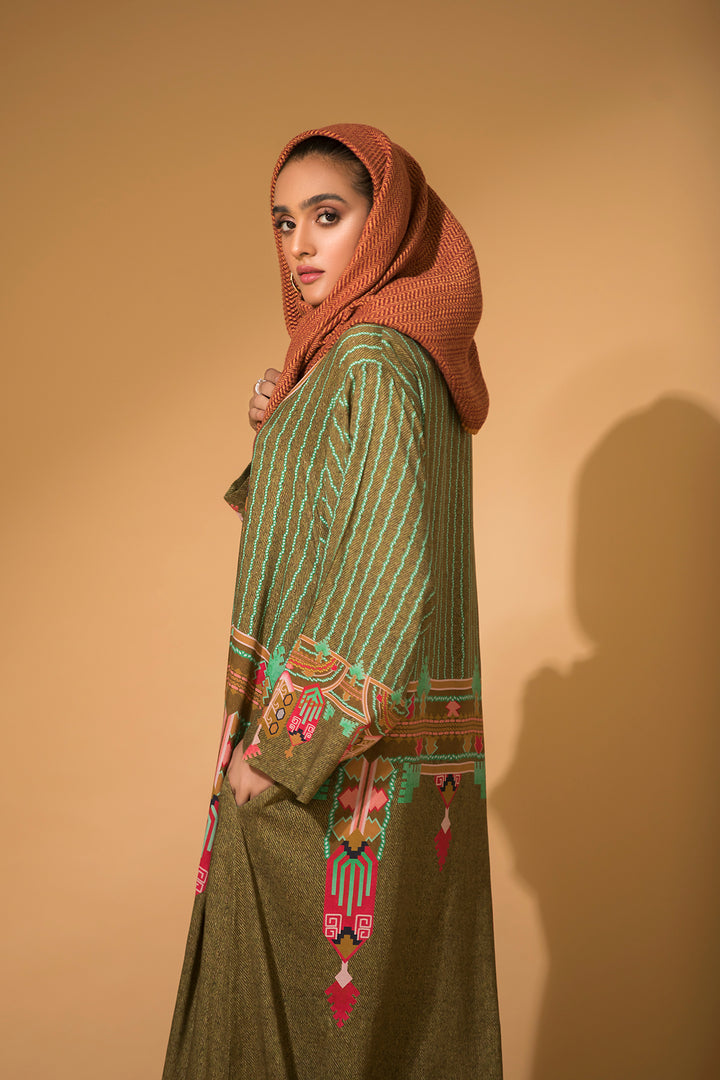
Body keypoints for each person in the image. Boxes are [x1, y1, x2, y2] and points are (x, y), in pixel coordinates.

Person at [163, 124, 502, 1080]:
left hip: (329, 776)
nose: (300, 245)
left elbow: (386, 571)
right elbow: (326, 527)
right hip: (377, 768)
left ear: (383, 222)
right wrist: (278, 428)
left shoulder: (373, 360)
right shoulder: (367, 357)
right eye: (284, 222)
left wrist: (280, 756)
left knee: (298, 1034)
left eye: (327, 215)